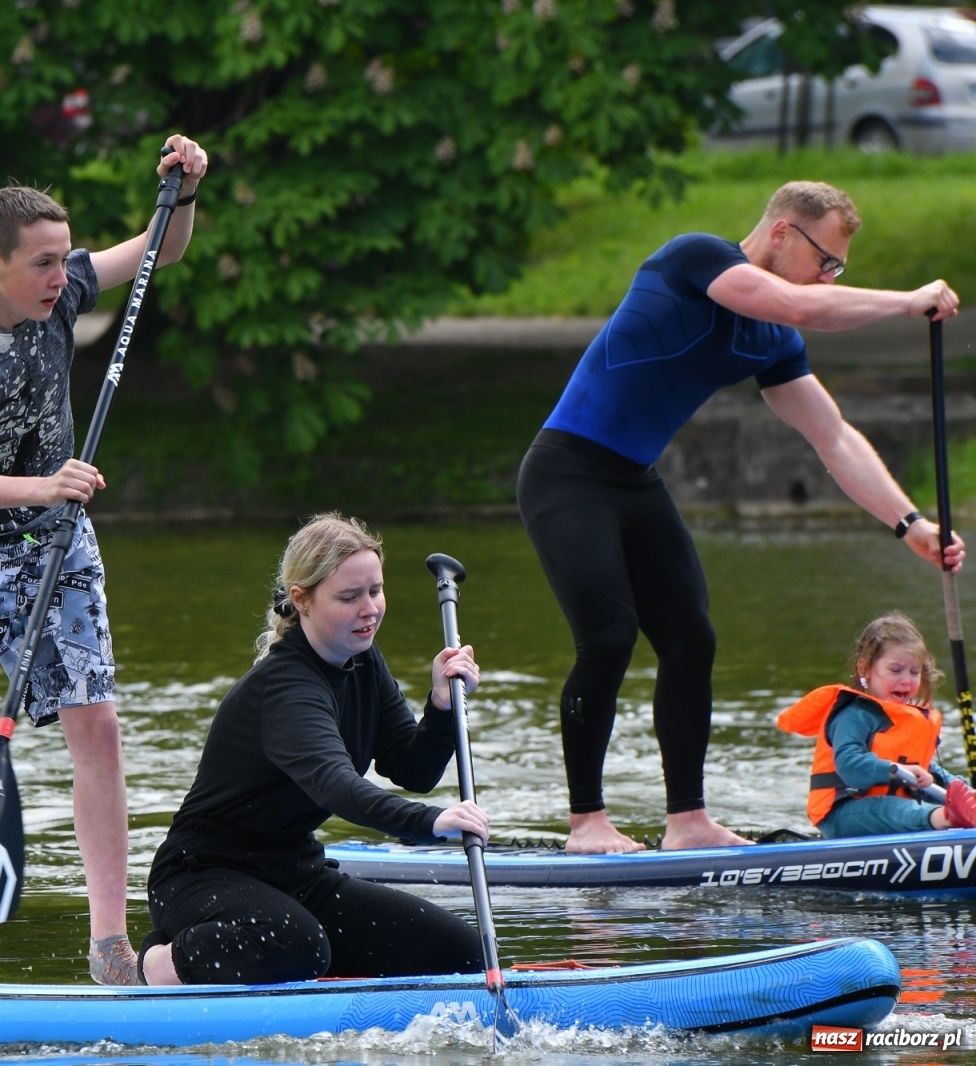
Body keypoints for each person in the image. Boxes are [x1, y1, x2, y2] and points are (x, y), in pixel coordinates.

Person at [517, 180, 967, 855]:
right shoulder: (695, 259)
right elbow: (795, 301)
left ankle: (687, 821)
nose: (828, 276)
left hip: (634, 481)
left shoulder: (774, 339)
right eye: (827, 260)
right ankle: (588, 823)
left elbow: (833, 437)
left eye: (837, 269)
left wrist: (913, 526)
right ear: (783, 232)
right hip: (565, 474)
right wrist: (908, 301)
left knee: (691, 639)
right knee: (608, 637)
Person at [0, 136, 209, 986]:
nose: (64, 278)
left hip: (51, 537)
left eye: (67, 260)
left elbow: (158, 249)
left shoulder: (66, 289)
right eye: (45, 264)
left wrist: (188, 192)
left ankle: (109, 946)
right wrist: (46, 486)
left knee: (97, 725)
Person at [139, 513, 489, 986]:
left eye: (375, 591)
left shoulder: (362, 659)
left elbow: (412, 768)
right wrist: (429, 821)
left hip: (294, 874)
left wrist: (443, 707)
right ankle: (155, 964)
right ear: (301, 600)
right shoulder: (286, 689)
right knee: (300, 948)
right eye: (349, 597)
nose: (370, 610)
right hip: (201, 877)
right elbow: (337, 787)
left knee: (463, 953)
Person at [777, 612, 976, 837]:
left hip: (891, 808)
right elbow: (850, 766)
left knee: (916, 801)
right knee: (891, 808)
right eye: (896, 670)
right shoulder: (853, 714)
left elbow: (928, 769)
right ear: (865, 669)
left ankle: (964, 814)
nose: (906, 680)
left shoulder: (905, 721)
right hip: (843, 812)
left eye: (915, 672)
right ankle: (947, 818)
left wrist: (966, 793)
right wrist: (896, 771)